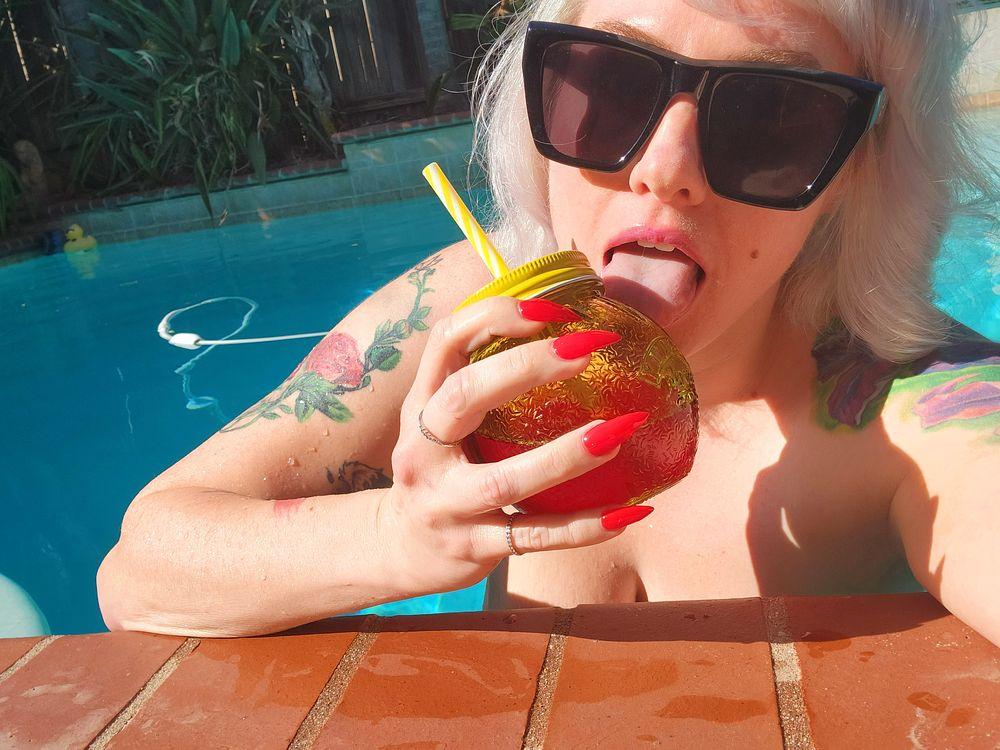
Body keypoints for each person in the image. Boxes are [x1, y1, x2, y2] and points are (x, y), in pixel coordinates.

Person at [97, 0, 1000, 644]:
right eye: (611, 82)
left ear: (856, 169)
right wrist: (401, 537)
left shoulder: (918, 413)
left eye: (773, 115)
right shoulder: (473, 310)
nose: (663, 169)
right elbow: (139, 576)